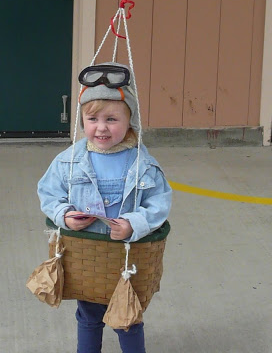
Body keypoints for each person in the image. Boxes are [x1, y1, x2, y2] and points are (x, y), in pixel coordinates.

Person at [38, 62, 172, 353]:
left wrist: (135, 223)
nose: (101, 127)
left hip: (126, 260)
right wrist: (64, 215)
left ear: (130, 121)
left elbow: (159, 204)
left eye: (112, 119)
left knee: (128, 316)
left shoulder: (142, 163)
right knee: (88, 314)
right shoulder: (68, 161)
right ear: (81, 121)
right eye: (92, 118)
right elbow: (49, 193)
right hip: (88, 259)